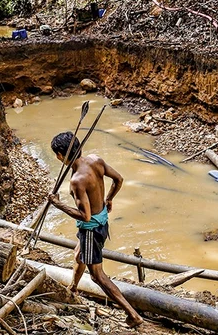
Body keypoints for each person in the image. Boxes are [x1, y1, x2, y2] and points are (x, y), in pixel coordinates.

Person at [48, 132, 143, 328]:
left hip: (91, 229)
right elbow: (119, 179)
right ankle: (73, 288)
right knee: (78, 254)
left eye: (57, 155)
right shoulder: (95, 160)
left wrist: (57, 205)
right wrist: (109, 198)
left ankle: (132, 315)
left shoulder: (77, 180)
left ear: (60, 155)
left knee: (97, 275)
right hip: (102, 222)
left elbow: (85, 216)